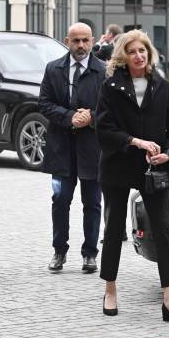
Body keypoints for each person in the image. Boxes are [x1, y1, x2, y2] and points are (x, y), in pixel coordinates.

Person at [95, 29, 169, 321]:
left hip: (154, 168)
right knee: (112, 229)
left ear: (149, 54)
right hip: (117, 164)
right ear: (124, 55)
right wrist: (135, 141)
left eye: (143, 51)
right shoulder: (111, 87)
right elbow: (104, 128)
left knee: (164, 229)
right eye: (133, 51)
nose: (138, 56)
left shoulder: (163, 86)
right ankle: (110, 289)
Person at [39, 23, 106, 273]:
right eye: (76, 40)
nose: (81, 46)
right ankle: (59, 251)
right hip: (62, 149)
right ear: (67, 40)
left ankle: (90, 254)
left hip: (92, 150)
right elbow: (43, 104)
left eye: (85, 40)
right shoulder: (53, 69)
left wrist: (91, 118)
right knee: (60, 200)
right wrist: (69, 117)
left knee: (92, 203)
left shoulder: (104, 72)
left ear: (92, 41)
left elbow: (112, 110)